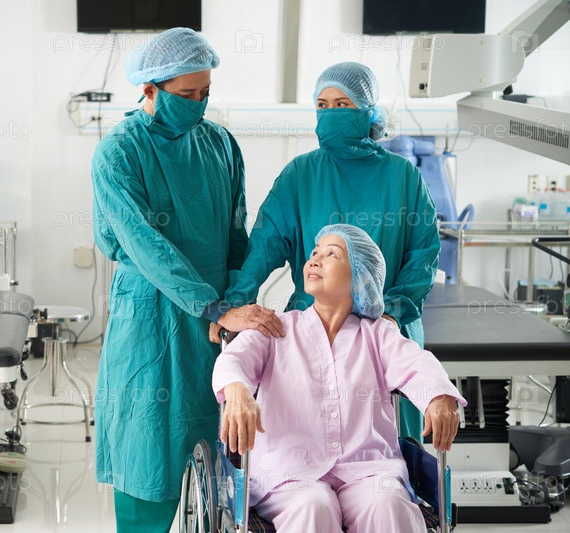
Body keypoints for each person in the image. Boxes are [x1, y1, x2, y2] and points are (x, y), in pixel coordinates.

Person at [90, 27, 282, 532]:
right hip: (152, 317)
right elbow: (144, 245)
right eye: (186, 94)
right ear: (150, 89)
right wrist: (213, 307)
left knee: (220, 453)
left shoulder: (219, 144)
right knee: (148, 450)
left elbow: (235, 234)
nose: (198, 104)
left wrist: (238, 300)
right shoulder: (119, 152)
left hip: (217, 315)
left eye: (205, 93)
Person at [217, 61, 441, 440]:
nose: (330, 113)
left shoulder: (403, 177)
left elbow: (423, 257)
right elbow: (264, 247)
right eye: (322, 105)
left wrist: (393, 312)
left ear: (368, 110)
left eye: (342, 105)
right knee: (306, 440)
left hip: (385, 329)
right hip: (313, 328)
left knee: (387, 446)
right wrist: (234, 305)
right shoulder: (300, 175)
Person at [212, 224, 465, 533]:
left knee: (387, 504)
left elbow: (416, 363)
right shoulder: (276, 328)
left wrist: (439, 395)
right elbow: (233, 360)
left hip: (368, 469)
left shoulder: (376, 335)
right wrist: (237, 391)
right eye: (314, 252)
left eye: (331, 254)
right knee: (312, 506)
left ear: (360, 278)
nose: (314, 260)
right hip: (290, 472)